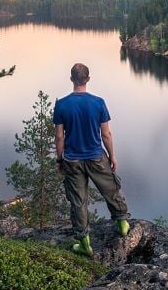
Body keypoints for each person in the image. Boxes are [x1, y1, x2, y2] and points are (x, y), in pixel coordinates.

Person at [53, 63, 130, 256]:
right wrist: (112, 156)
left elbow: (60, 137)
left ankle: (85, 243)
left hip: (72, 159)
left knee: (78, 201)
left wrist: (59, 160)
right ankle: (122, 222)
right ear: (88, 79)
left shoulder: (61, 105)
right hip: (96, 156)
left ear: (71, 79)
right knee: (111, 189)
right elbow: (106, 134)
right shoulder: (98, 103)